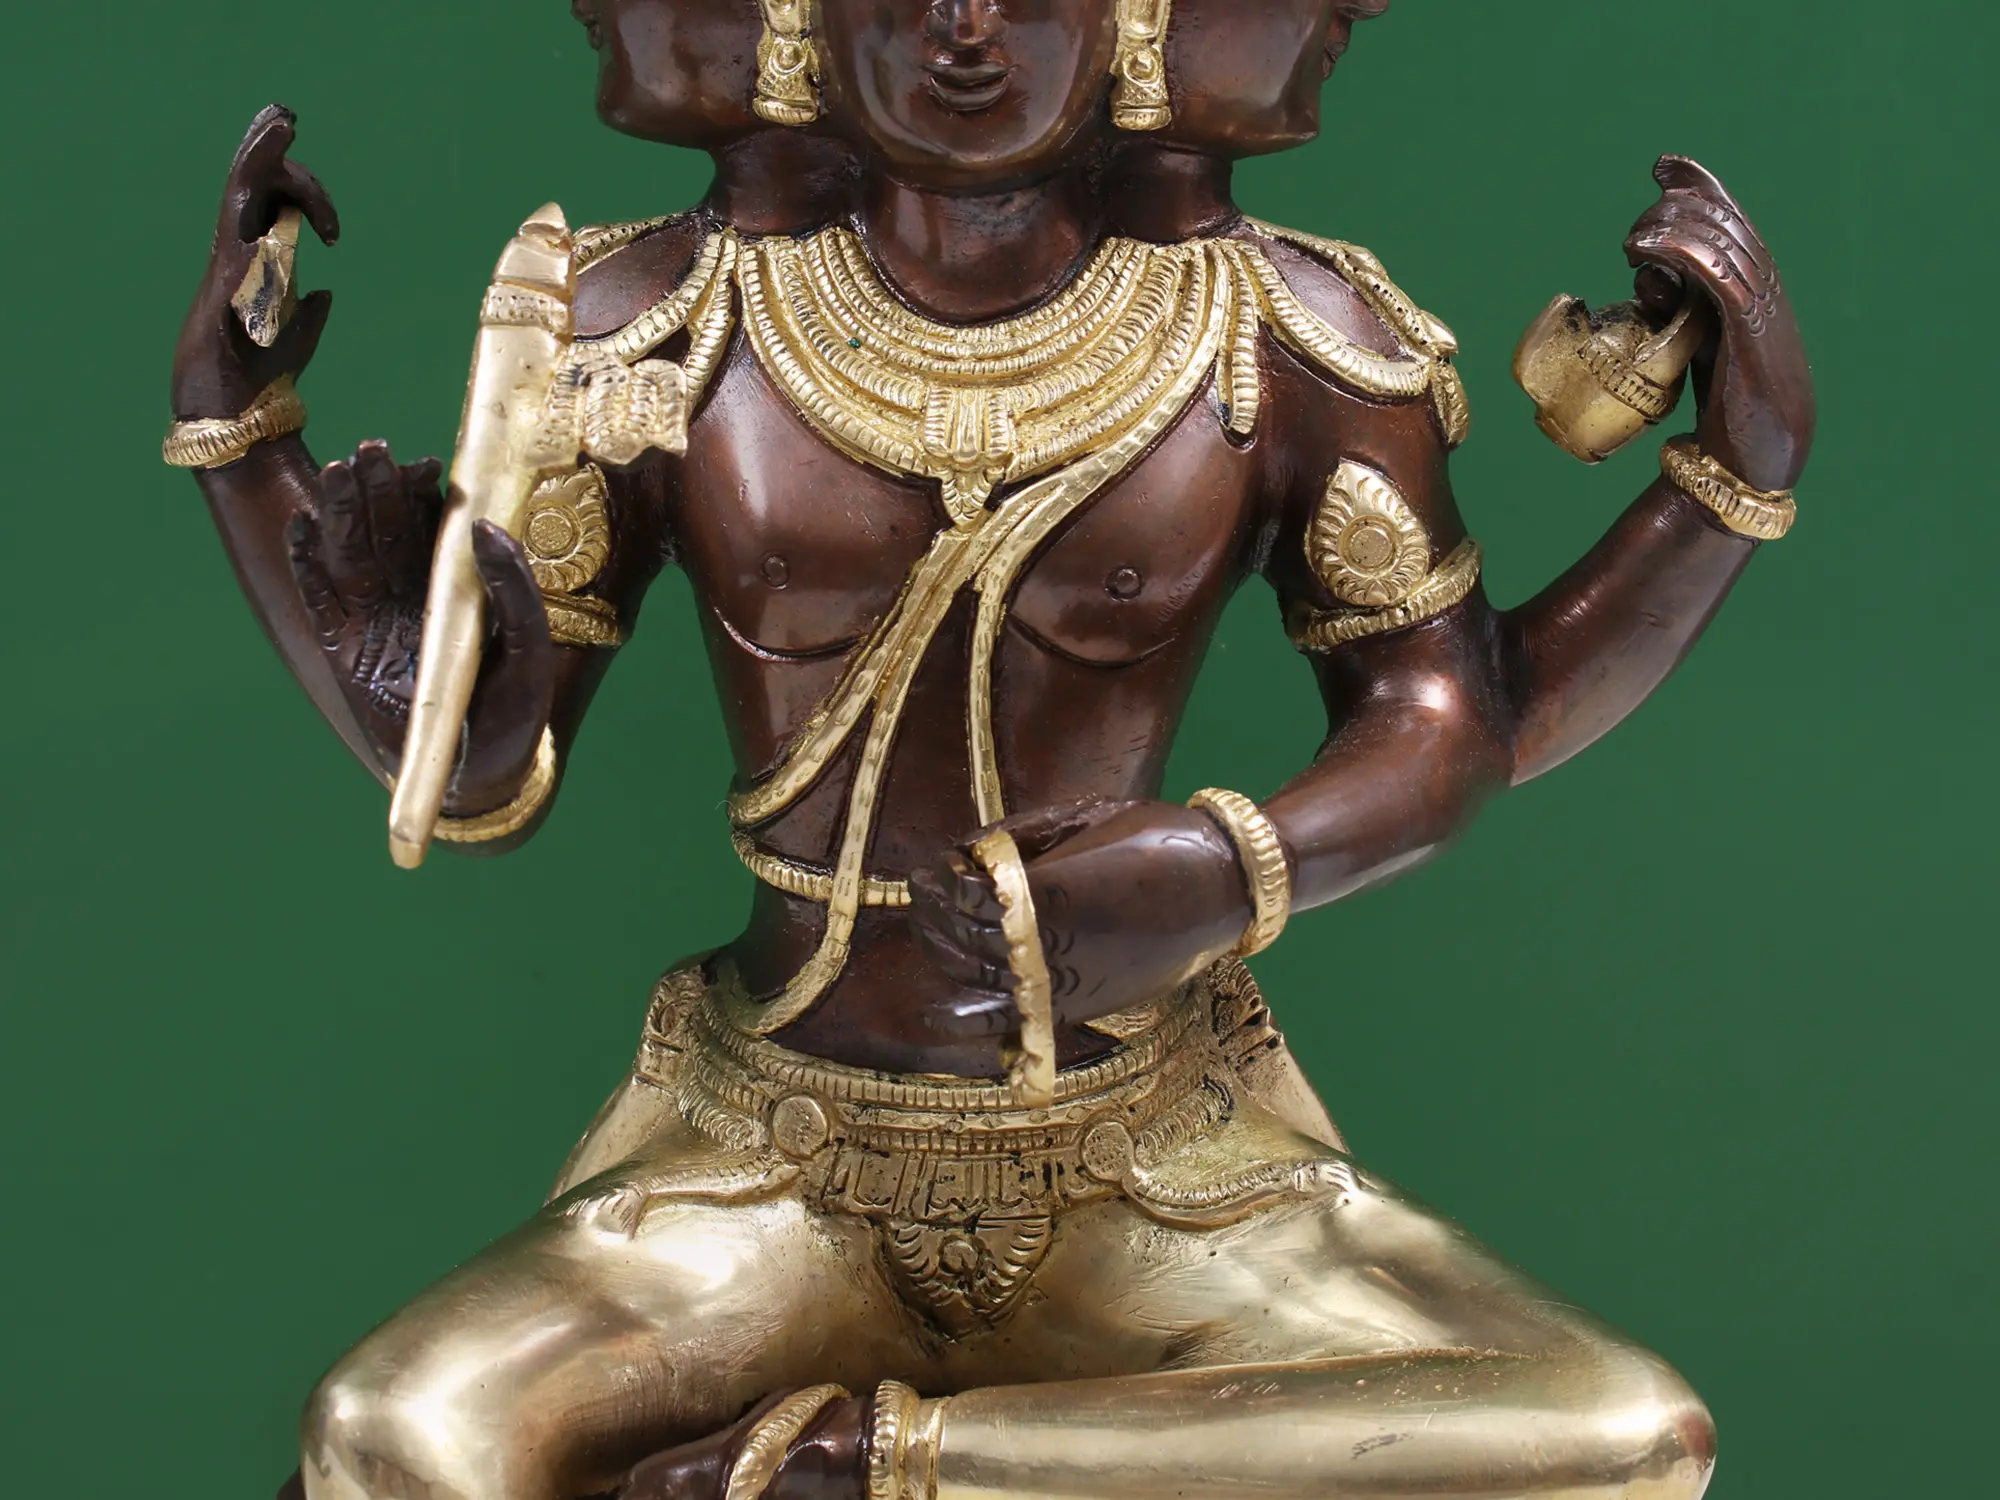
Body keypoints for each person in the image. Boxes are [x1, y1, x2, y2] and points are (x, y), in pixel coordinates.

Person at [164, 3, 1813, 1498]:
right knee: (396, 1439)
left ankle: (884, 1467)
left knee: (1620, 1433)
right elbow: (469, 778)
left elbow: (1447, 721)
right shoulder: (656, 319)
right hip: (768, 1152)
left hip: (1155, 1156)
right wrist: (254, 457)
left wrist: (1225, 868)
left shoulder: (1285, 333)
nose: (965, 32)